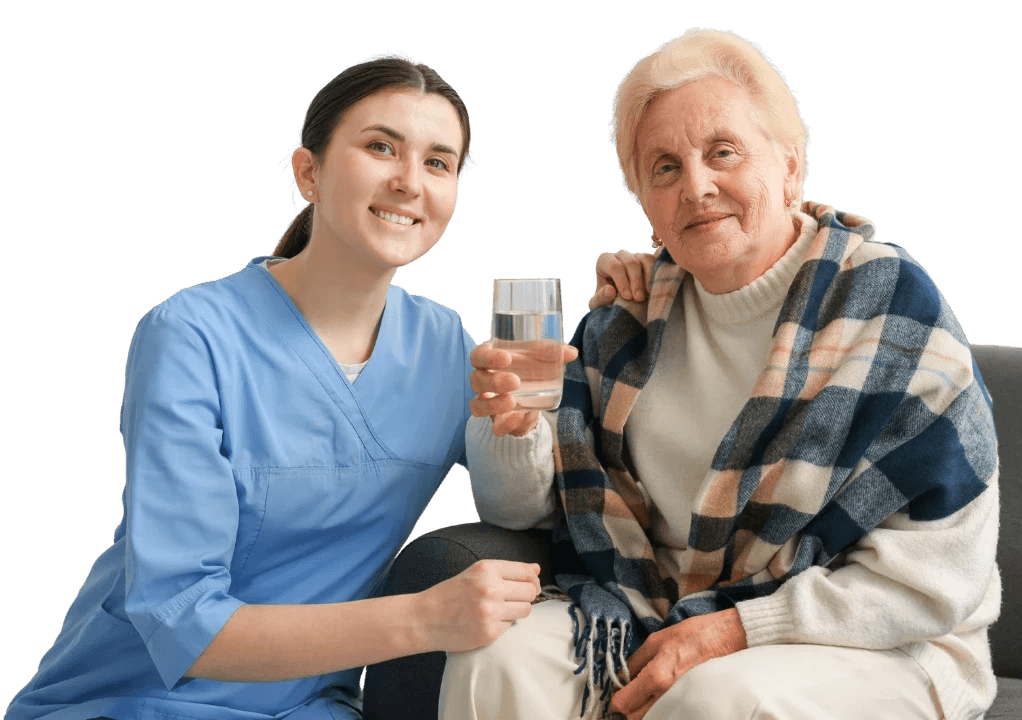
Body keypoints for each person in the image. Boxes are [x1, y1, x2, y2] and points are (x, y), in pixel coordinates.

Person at [4, 53, 648, 720]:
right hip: (135, 699)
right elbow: (180, 621)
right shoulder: (192, 336)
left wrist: (611, 325)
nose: (408, 182)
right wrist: (425, 619)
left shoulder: (441, 344)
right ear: (308, 172)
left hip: (312, 708)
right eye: (380, 147)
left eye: (438, 162)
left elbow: (522, 511)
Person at [444, 28, 1000, 720]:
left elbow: (932, 580)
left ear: (792, 164)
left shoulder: (892, 309)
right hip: (655, 609)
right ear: (643, 197)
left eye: (723, 152)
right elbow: (517, 512)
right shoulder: (625, 322)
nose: (697, 186)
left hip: (876, 642)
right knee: (496, 656)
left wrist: (734, 629)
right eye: (665, 168)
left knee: (714, 696)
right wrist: (514, 425)